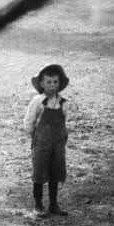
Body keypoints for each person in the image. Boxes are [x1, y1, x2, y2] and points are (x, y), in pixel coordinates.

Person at [23, 64, 78, 216]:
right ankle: (38, 205)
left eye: (55, 82)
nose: (52, 85)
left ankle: (54, 204)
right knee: (39, 172)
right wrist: (33, 136)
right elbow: (29, 121)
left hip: (58, 144)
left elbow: (70, 120)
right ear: (41, 83)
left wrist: (65, 133)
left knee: (56, 172)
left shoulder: (64, 103)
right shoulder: (38, 101)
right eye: (49, 82)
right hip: (41, 143)